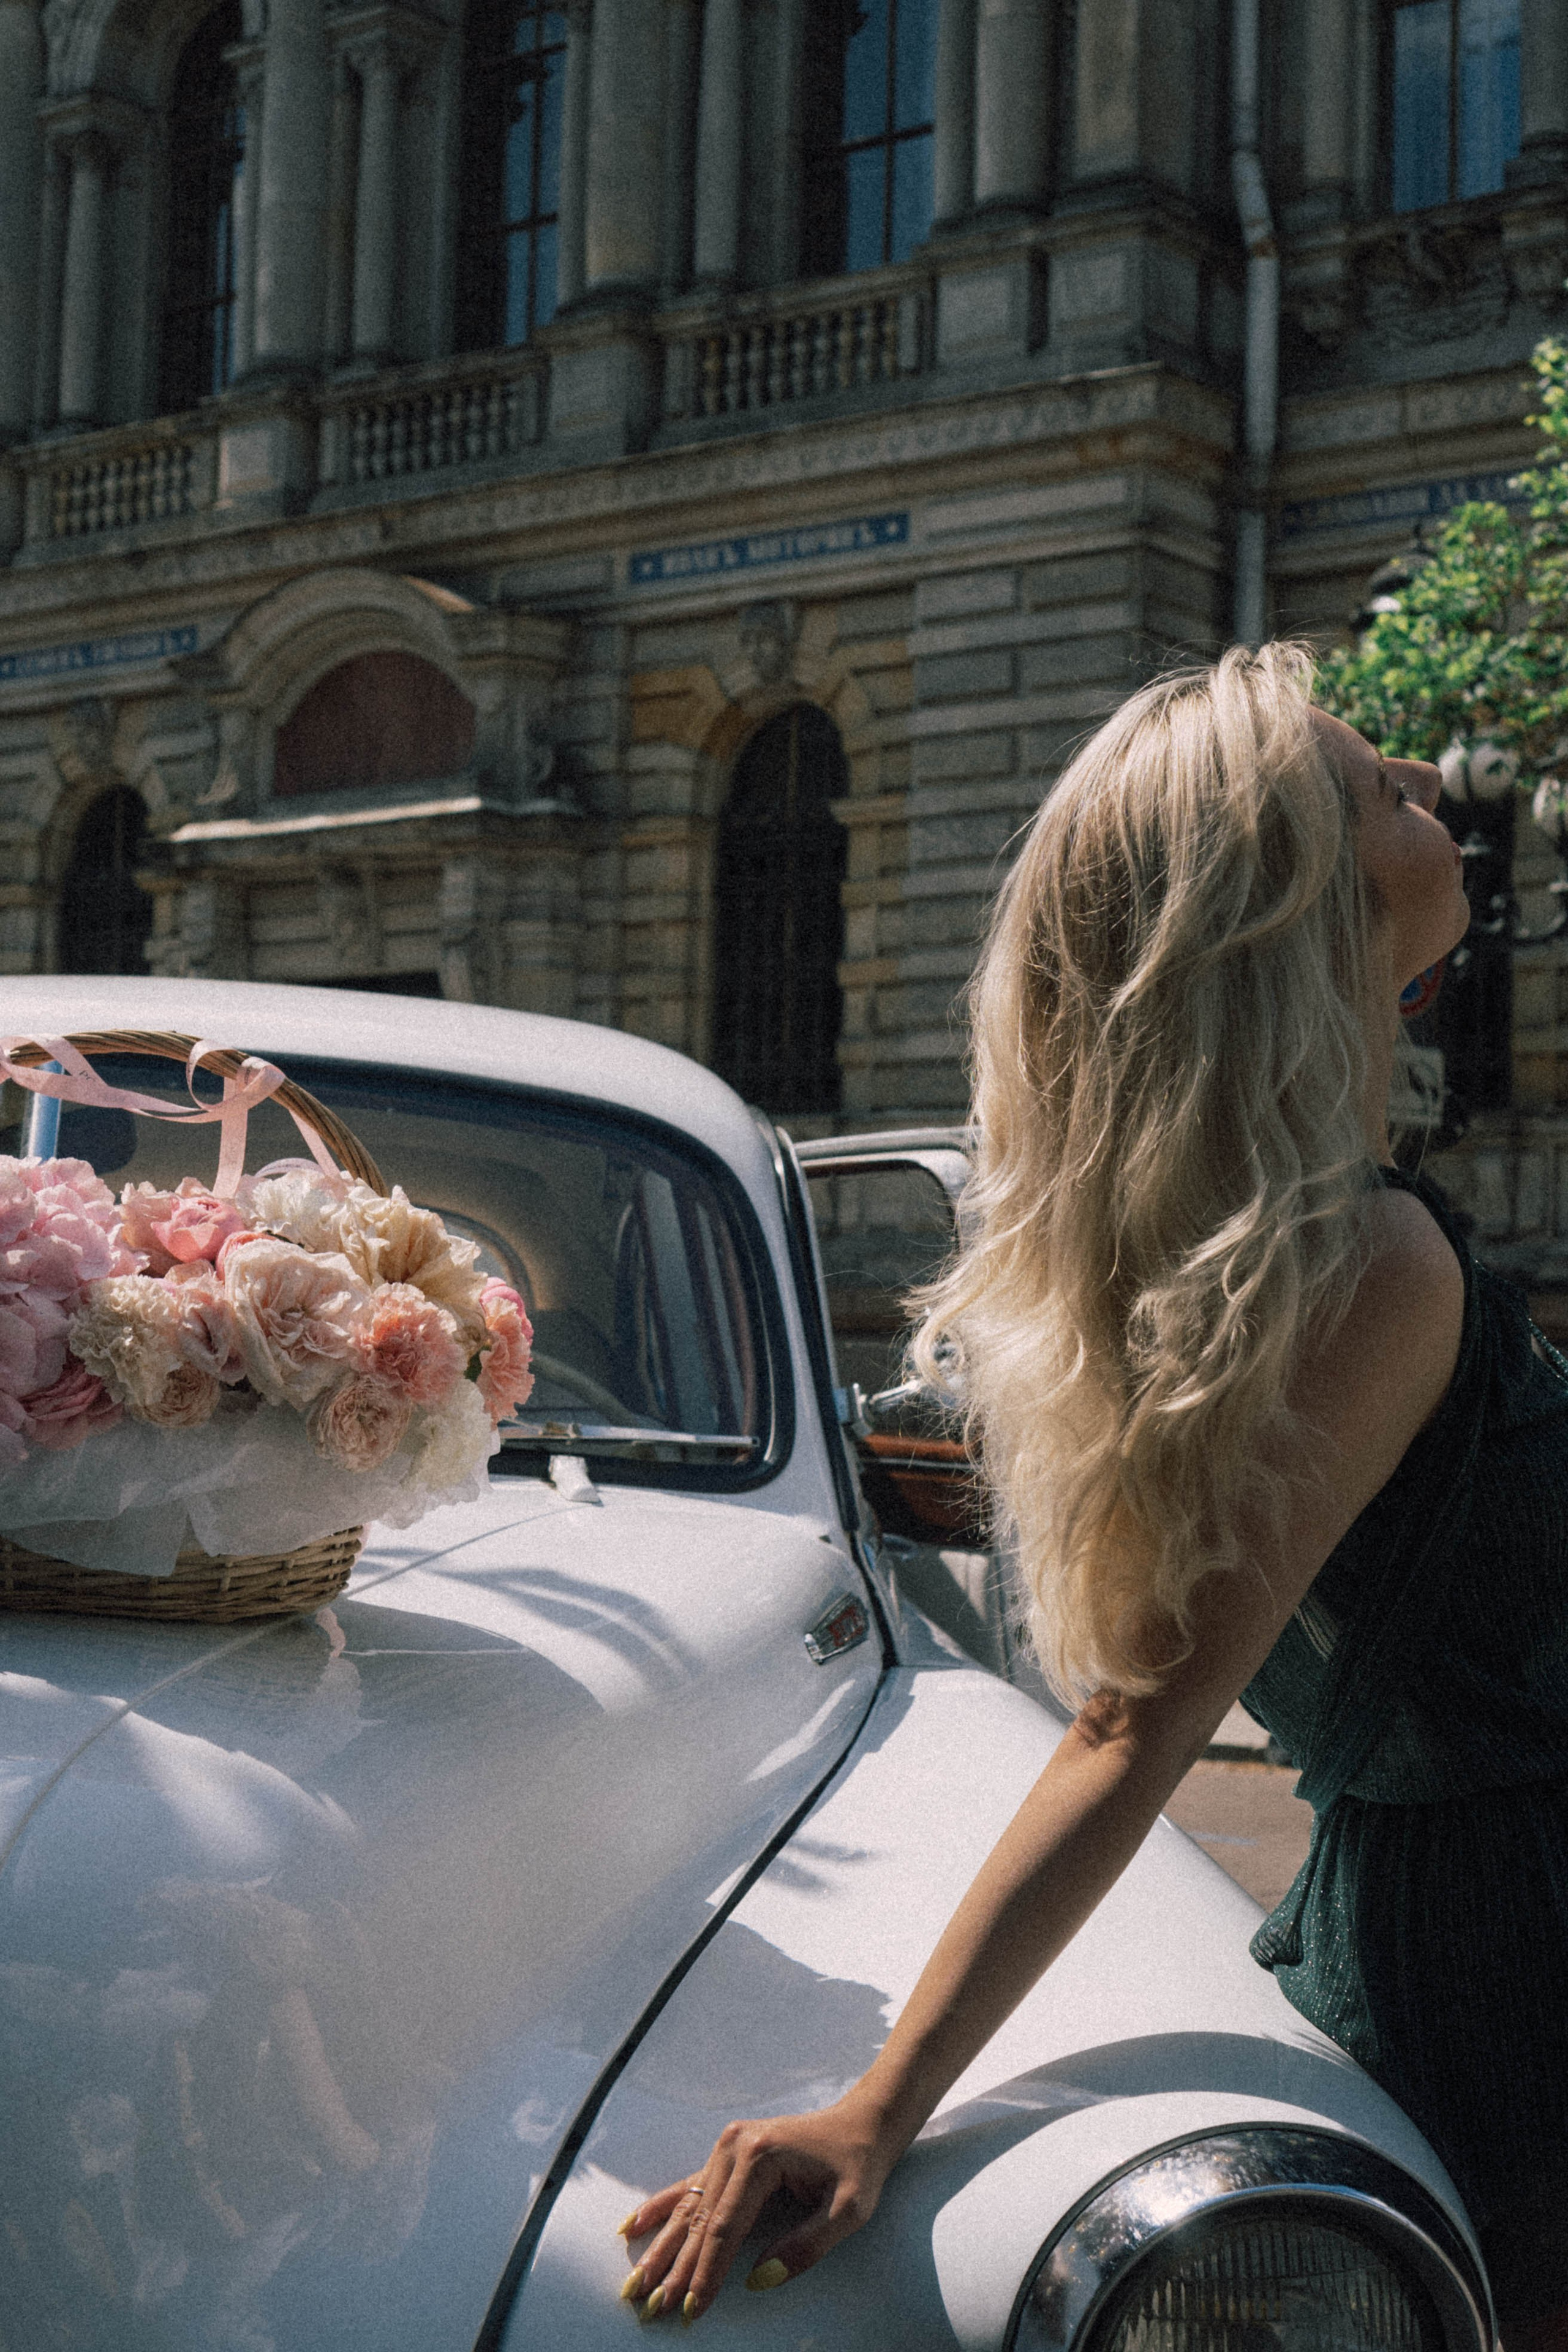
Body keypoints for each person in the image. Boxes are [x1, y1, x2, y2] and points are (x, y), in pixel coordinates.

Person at [616, 645, 1567, 2345]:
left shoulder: (1273, 1253)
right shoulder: (1373, 1260)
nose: (1434, 789)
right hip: (1523, 1964)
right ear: (1297, 906)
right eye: (1379, 788)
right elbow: (1131, 1730)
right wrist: (879, 2107)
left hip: (1456, 1932)